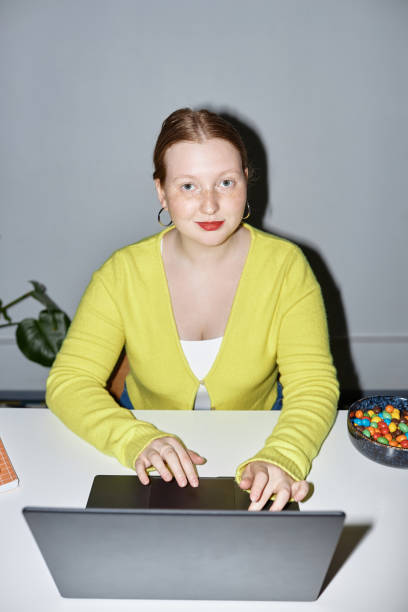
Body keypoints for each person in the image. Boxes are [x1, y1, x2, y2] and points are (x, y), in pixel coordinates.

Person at [46, 108, 339, 511]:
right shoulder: (121, 273)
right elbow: (70, 382)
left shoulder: (287, 267)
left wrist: (283, 455)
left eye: (225, 182)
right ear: (161, 192)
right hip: (148, 449)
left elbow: (313, 385)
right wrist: (134, 439)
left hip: (259, 437)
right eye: (188, 186)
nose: (210, 205)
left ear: (246, 183)